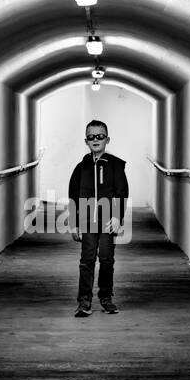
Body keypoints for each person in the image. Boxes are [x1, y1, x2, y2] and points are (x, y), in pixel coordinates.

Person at [68, 119, 128, 317]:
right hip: (87, 220)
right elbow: (74, 197)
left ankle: (106, 298)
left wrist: (118, 218)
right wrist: (74, 223)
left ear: (107, 139)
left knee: (106, 259)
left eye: (100, 136)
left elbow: (121, 193)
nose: (95, 140)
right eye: (91, 137)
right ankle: (84, 301)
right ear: (86, 141)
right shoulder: (81, 168)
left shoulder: (116, 165)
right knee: (87, 259)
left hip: (108, 221)